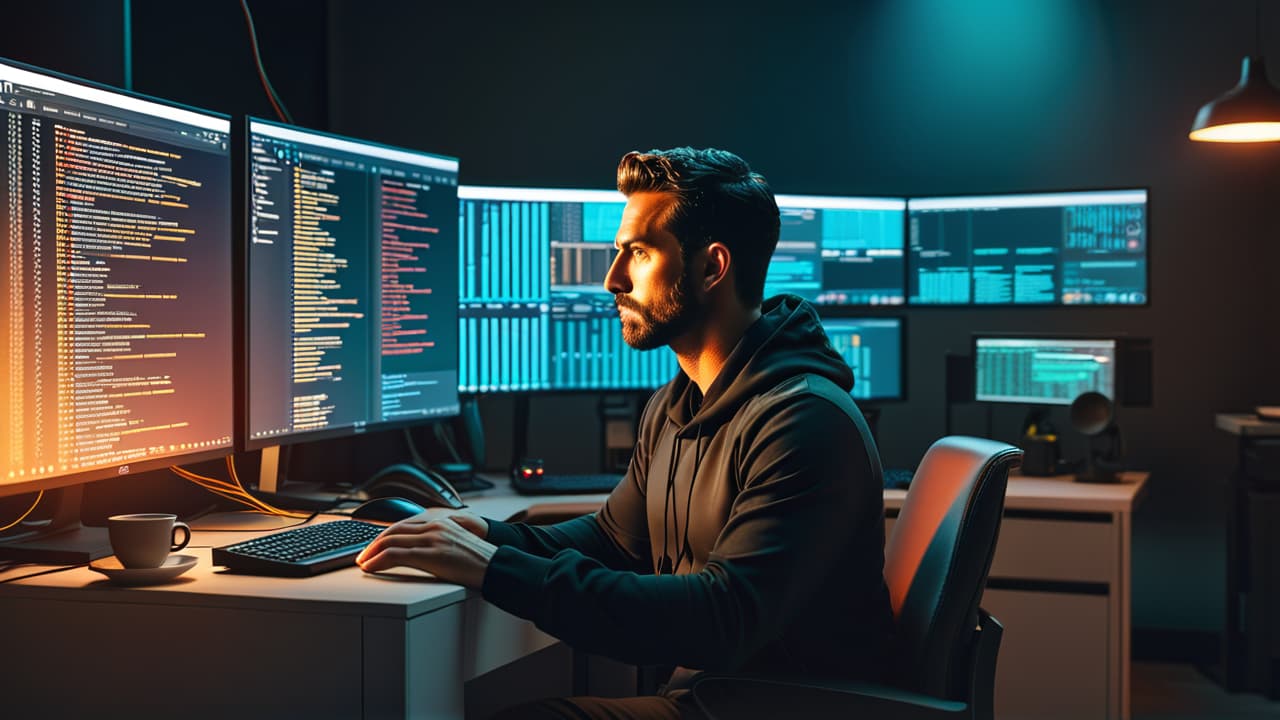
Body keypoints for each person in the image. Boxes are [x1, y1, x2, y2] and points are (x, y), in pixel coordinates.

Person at [357, 147, 893, 719]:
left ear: (711, 267)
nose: (612, 279)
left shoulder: (802, 421)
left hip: (775, 705)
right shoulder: (675, 405)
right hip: (711, 695)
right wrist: (484, 534)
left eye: (637, 253)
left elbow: (723, 619)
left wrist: (496, 569)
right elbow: (616, 541)